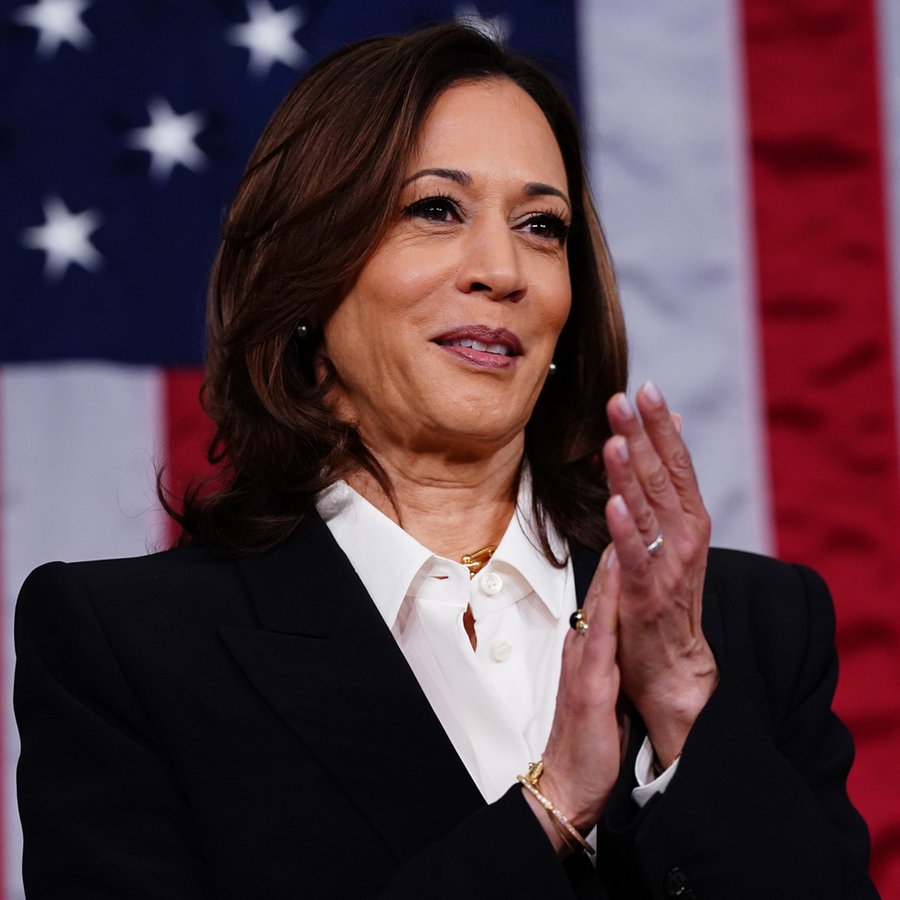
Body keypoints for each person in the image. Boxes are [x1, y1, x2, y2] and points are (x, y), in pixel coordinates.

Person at [14, 22, 879, 900]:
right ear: (309, 274)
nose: (503, 270)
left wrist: (687, 716)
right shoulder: (128, 648)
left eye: (543, 226)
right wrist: (549, 810)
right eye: (436, 209)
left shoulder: (752, 627)